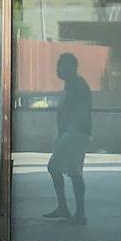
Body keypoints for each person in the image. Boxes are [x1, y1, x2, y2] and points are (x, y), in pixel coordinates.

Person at [44, 52, 92, 226]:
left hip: (74, 135)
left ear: (70, 67)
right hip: (68, 134)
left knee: (73, 172)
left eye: (60, 65)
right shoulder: (70, 85)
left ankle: (79, 214)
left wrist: (69, 132)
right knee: (56, 168)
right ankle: (65, 207)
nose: (58, 69)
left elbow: (79, 113)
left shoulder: (77, 86)